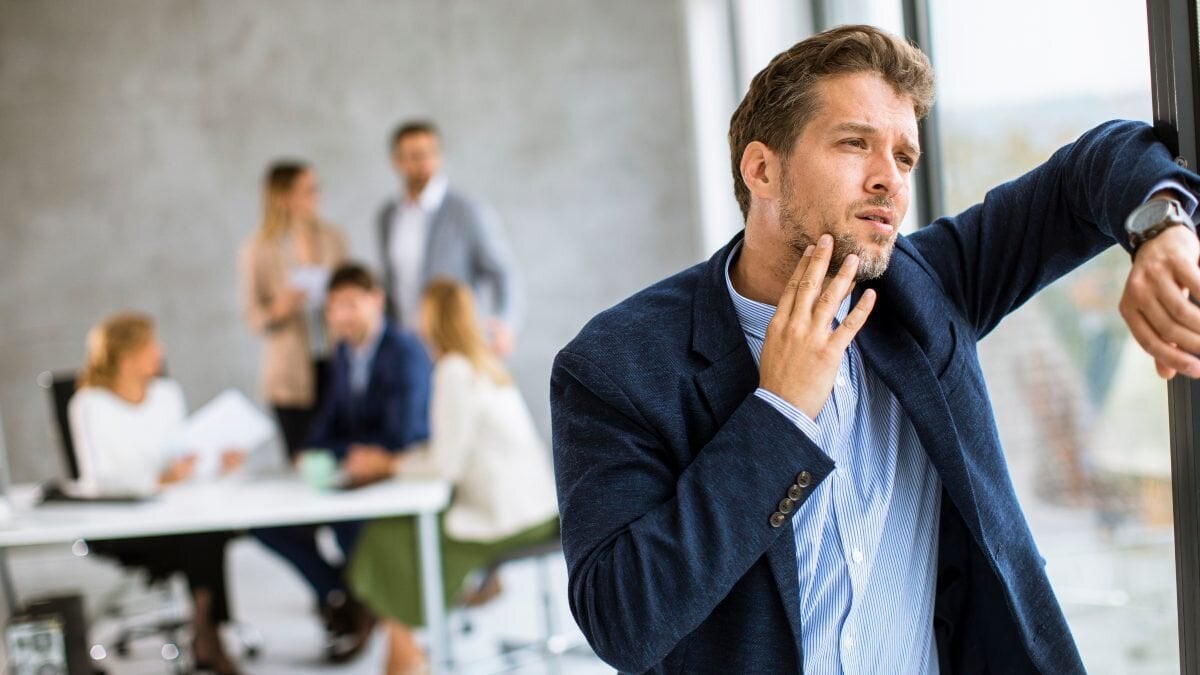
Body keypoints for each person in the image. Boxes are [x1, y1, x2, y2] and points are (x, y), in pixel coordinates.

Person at [549, 25, 1200, 674]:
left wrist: (1160, 228)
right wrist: (780, 412)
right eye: (855, 143)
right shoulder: (617, 365)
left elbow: (1096, 164)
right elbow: (624, 622)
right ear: (762, 168)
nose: (889, 180)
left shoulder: (930, 286)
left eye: (905, 156)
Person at [344, 278, 559, 674]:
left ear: (432, 318)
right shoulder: (482, 363)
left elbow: (446, 464)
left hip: (506, 518)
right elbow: (450, 449)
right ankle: (405, 649)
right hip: (538, 508)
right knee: (393, 531)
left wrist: (387, 464)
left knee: (385, 536)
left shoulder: (453, 370)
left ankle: (407, 653)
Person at [251, 262, 431, 664]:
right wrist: (311, 450)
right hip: (351, 473)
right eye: (334, 308)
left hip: (396, 478)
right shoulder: (345, 354)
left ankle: (364, 605)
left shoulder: (404, 352)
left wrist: (343, 452)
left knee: (351, 526)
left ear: (376, 301)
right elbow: (329, 420)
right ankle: (347, 593)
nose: (342, 316)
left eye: (351, 305)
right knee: (266, 523)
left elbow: (403, 434)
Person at [68, 313, 244, 675]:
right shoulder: (88, 404)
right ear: (127, 355)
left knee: (210, 530)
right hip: (122, 523)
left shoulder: (167, 394)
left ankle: (205, 628)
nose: (160, 351)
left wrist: (214, 462)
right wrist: (157, 480)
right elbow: (98, 481)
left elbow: (182, 458)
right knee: (203, 538)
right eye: (151, 345)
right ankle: (208, 635)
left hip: (175, 512)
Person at [377, 120, 522, 356]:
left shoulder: (467, 210)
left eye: (430, 153)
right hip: (406, 346)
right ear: (396, 161)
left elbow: (503, 271)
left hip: (455, 343)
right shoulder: (388, 216)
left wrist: (506, 324)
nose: (424, 163)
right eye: (414, 156)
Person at [240, 160, 345, 456]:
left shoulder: (333, 238)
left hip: (334, 357)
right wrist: (279, 307)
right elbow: (252, 315)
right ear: (283, 197)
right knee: (302, 456)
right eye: (307, 190)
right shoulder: (258, 248)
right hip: (290, 371)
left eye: (316, 188)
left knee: (339, 452)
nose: (316, 196)